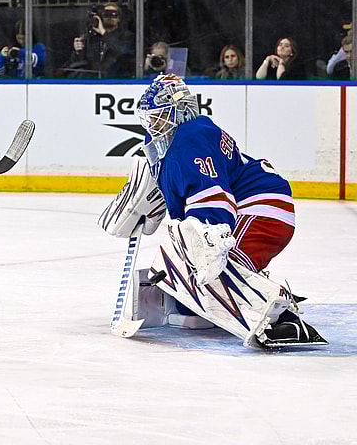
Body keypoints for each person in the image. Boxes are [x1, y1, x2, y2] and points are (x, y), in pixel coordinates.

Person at [99, 74, 326, 348]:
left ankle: (282, 320)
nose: (152, 125)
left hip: (261, 208)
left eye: (158, 117)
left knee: (207, 260)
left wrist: (205, 251)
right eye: (149, 119)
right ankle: (248, 291)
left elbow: (215, 204)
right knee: (188, 290)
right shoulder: (177, 141)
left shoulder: (188, 138)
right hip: (258, 209)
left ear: (179, 111)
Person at [62, 3, 134, 79]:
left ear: (119, 18)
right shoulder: (91, 37)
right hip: (93, 82)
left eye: (114, 14)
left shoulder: (127, 36)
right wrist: (77, 52)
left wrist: (104, 33)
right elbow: (78, 63)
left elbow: (124, 53)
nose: (110, 17)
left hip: (116, 81)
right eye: (106, 14)